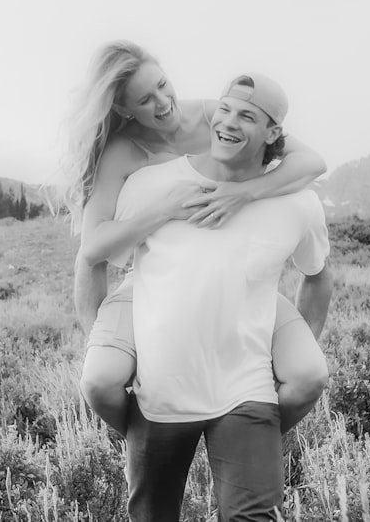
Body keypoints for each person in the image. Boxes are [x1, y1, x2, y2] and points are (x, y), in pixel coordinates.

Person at [58, 40, 330, 438]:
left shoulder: (213, 116)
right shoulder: (122, 151)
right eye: (146, 100)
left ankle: (256, 438)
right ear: (123, 109)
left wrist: (244, 193)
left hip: (239, 280)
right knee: (99, 381)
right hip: (156, 280)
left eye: (164, 85)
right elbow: (93, 247)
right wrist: (164, 208)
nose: (164, 102)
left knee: (307, 373)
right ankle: (145, 433)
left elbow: (312, 162)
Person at [115, 72, 332, 520]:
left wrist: (295, 346)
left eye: (247, 116)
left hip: (246, 393)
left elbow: (317, 276)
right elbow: (109, 267)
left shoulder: (299, 204)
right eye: (225, 110)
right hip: (160, 395)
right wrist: (111, 351)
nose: (228, 122)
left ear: (274, 134)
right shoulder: (150, 186)